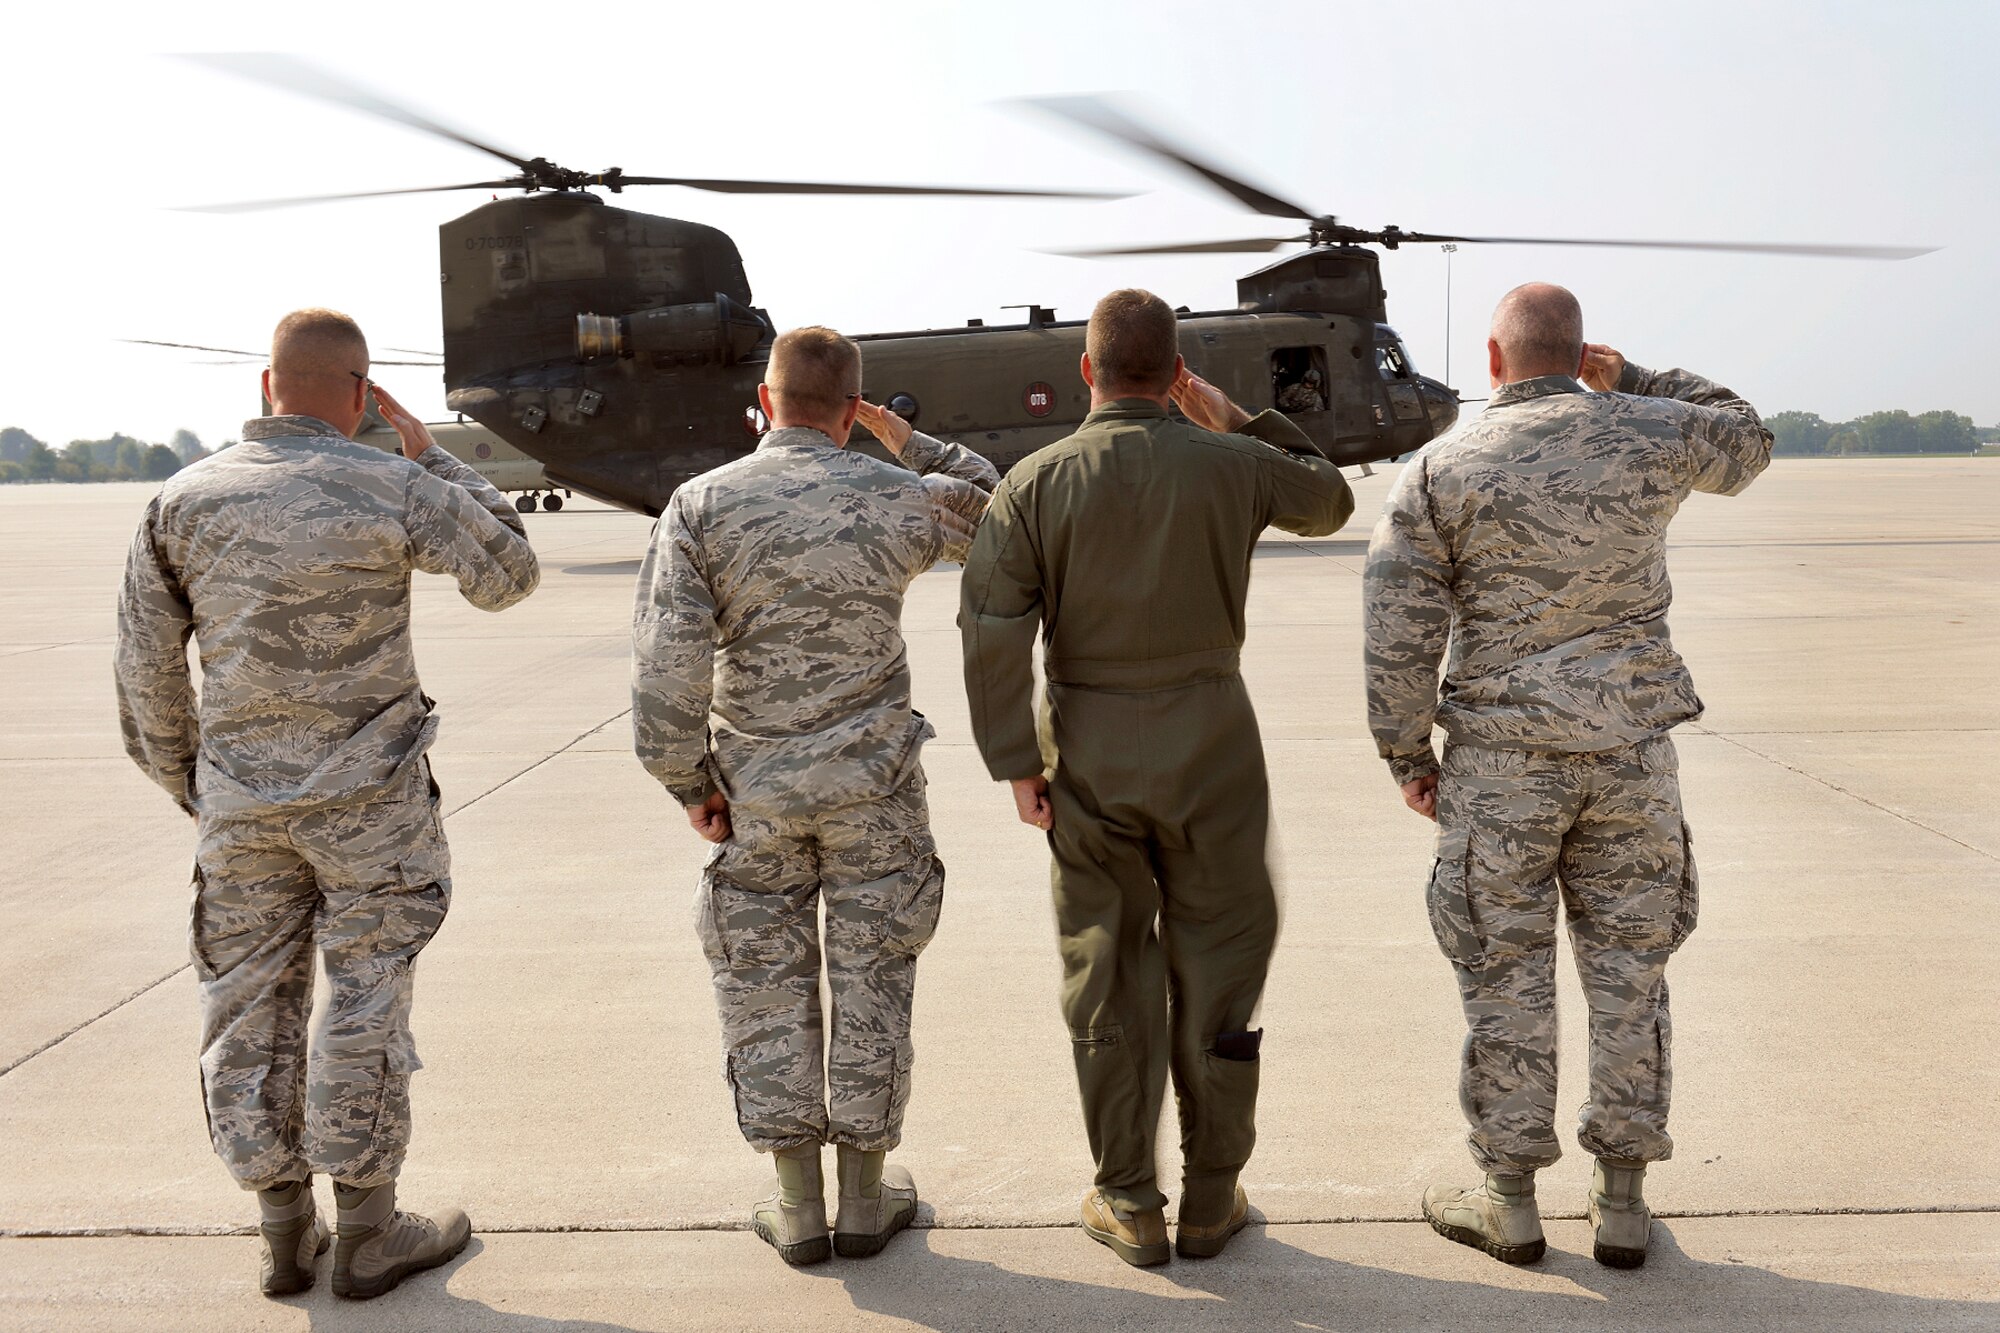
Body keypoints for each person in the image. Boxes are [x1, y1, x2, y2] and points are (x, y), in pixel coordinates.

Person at [114, 308, 540, 1299]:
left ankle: (279, 1229)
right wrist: (434, 455)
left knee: (245, 1003)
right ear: (360, 394)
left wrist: (196, 781)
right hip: (371, 805)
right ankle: (371, 1231)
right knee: (365, 992)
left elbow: (145, 675)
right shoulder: (386, 478)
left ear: (267, 389)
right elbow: (507, 572)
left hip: (240, 803)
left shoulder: (181, 501)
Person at [1362, 282, 1772, 1269]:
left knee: (1505, 980)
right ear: (1579, 352)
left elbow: (1395, 629)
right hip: (1630, 756)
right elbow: (1746, 440)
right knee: (1630, 976)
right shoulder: (1646, 431)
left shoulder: (1438, 467)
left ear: (1493, 364)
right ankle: (1622, 1199)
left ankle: (1506, 1198)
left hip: (1499, 768)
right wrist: (1631, 378)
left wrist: (1407, 754)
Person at [958, 289, 1354, 1267]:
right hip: (1213, 740)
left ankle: (1128, 1197)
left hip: (1087, 745)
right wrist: (1234, 415)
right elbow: (1328, 497)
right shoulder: (1234, 462)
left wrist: (1015, 762)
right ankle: (1211, 1198)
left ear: (1087, 371)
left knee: (1106, 968)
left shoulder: (1032, 482)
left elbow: (990, 628)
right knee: (1219, 965)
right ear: (1176, 373)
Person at [632, 326, 998, 1266]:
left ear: (765, 395)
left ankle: (797, 1203)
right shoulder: (900, 495)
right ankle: (867, 1198)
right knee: (875, 973)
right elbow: (1004, 508)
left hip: (754, 790)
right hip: (874, 787)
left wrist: (688, 781)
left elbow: (665, 670)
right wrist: (908, 443)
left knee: (762, 981)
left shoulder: (702, 504)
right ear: (854, 405)